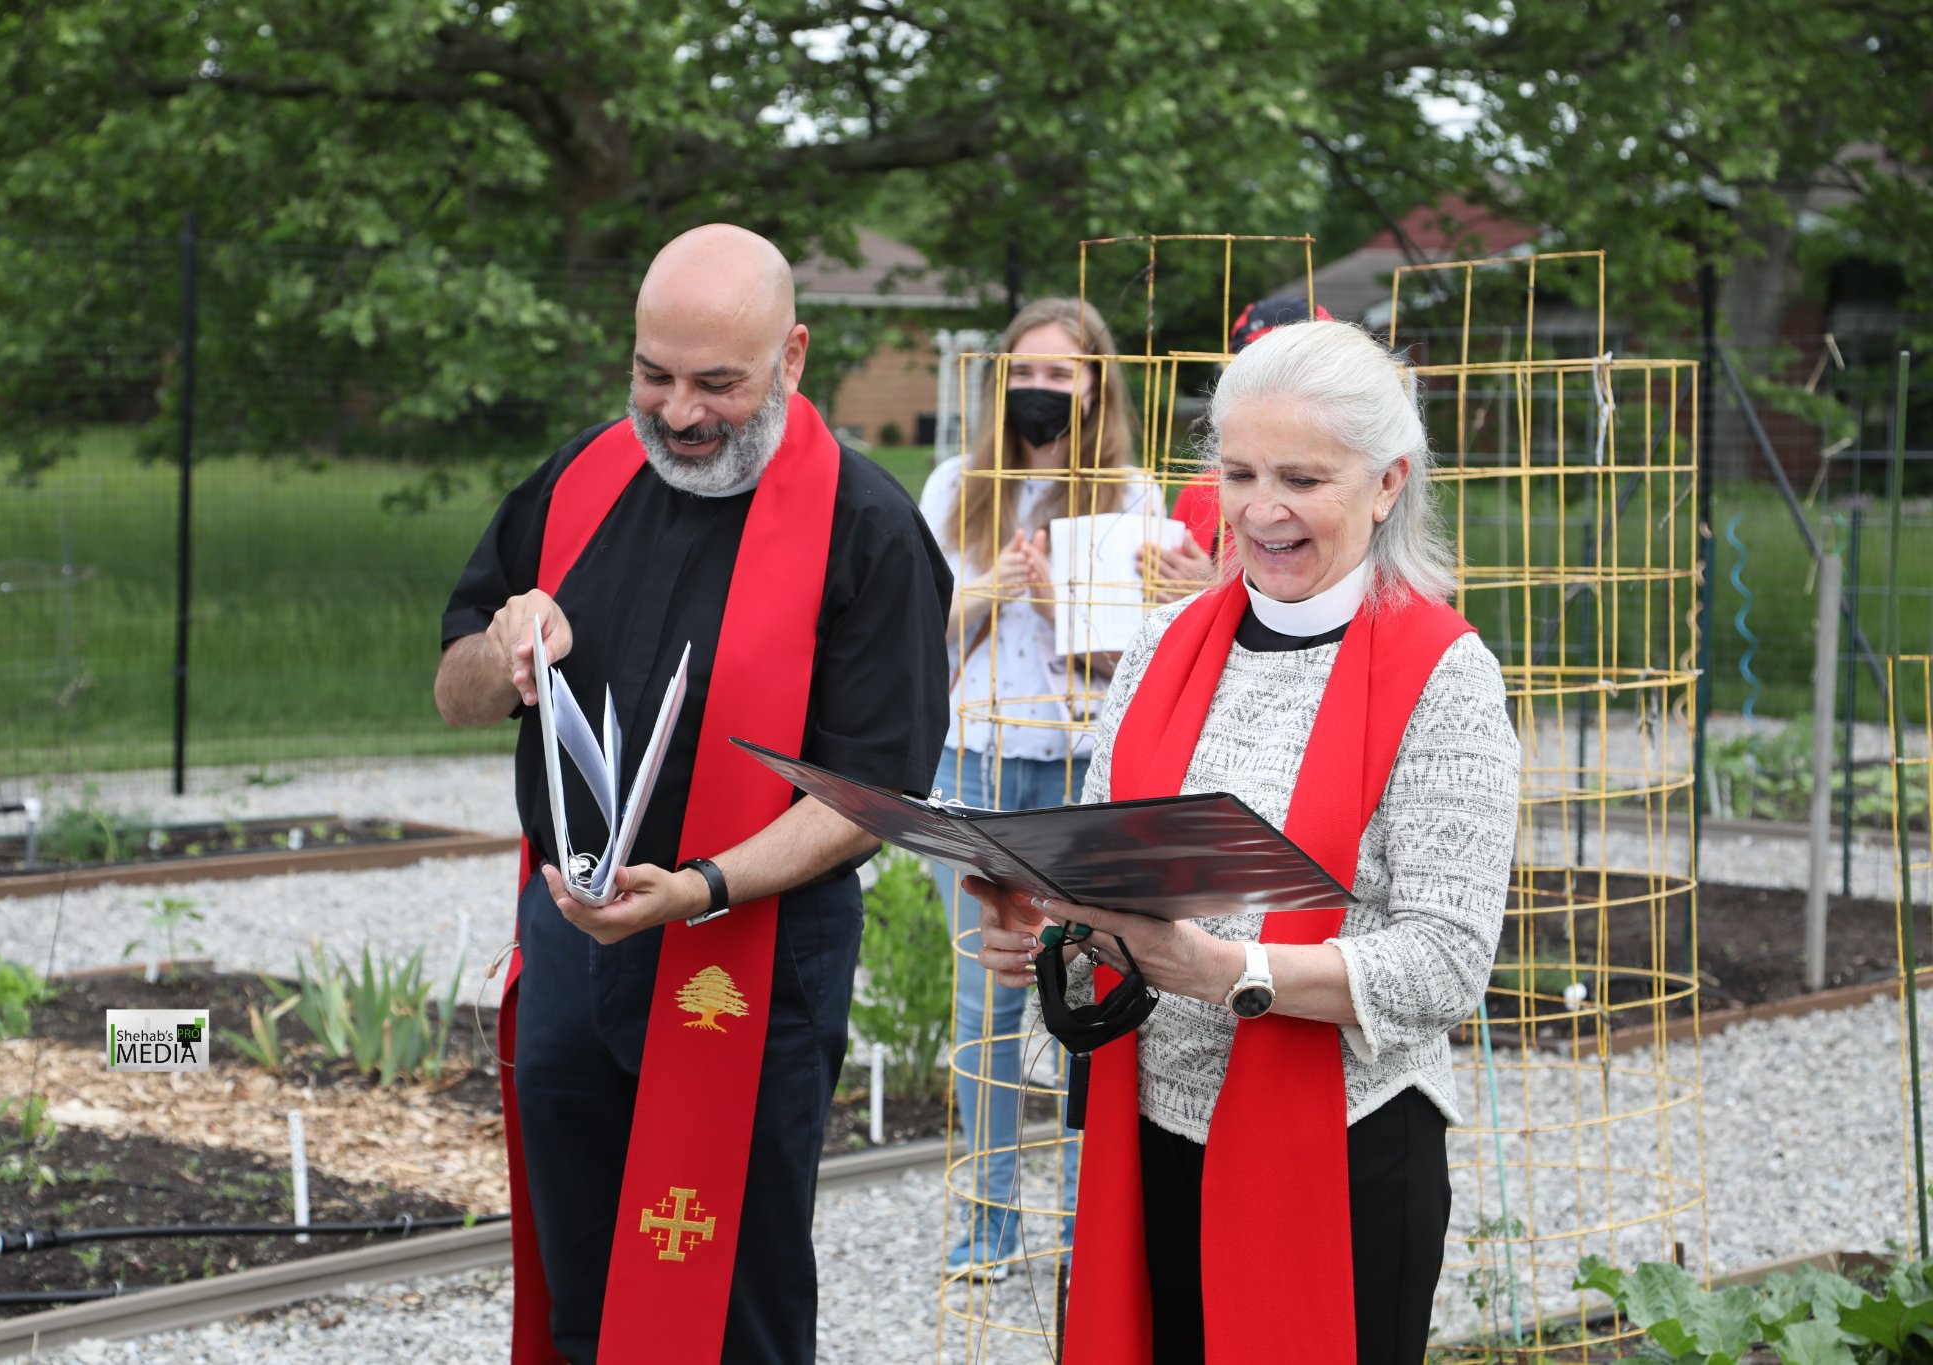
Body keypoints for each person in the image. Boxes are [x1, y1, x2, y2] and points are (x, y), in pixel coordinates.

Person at [436, 224, 951, 1365]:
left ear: (794, 356)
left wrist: (704, 886)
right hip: (574, 938)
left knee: (735, 1299)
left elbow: (873, 792)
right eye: (652, 375)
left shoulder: (866, 529)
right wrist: (503, 645)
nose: (678, 414)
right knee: (580, 1285)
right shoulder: (577, 478)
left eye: (718, 383)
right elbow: (454, 686)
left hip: (749, 948)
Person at [967, 320, 1519, 1363]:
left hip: (1342, 1150)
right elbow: (1100, 867)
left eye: (1301, 478)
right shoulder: (1162, 645)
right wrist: (1050, 933)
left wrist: (1233, 972)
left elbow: (1446, 962)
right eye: (1238, 471)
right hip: (1150, 1134)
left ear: (1387, 482)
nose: (1260, 511)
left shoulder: (1443, 675)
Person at [915, 297, 1163, 1279]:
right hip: (968, 768)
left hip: (1075, 771)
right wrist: (990, 592)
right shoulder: (951, 487)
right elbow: (902, 636)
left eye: (1060, 375)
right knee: (981, 1003)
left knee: (1082, 993)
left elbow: (1140, 667)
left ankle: (1082, 1217)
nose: (1039, 389)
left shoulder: (1130, 498)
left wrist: (1066, 609)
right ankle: (987, 1219)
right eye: (1026, 372)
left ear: (1095, 382)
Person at [1146, 295, 1336, 601]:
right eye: (1253, 370)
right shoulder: (1199, 493)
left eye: (1302, 481)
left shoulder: (1359, 490)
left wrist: (1210, 595)